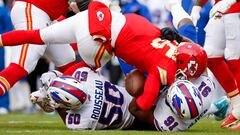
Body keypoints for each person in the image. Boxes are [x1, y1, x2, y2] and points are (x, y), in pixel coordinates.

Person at [0, 0, 207, 112]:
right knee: (25, 63)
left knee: (71, 69)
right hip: (96, 36)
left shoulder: (178, 41)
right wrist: (137, 108)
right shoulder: (165, 67)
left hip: (88, 21)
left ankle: (48, 91)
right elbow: (142, 103)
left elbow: (78, 9)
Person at [0, 0, 78, 96]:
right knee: (22, 65)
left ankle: (69, 105)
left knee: (68, 62)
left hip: (47, 16)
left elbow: (71, 11)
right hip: (34, 8)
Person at [31, 67, 137, 130]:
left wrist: (54, 103)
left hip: (134, 121)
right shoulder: (86, 75)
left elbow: (67, 120)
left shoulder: (82, 121)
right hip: (133, 96)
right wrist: (56, 75)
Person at [126, 69, 229, 131]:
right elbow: (200, 58)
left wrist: (145, 90)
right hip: (201, 107)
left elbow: (133, 109)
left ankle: (216, 107)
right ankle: (216, 107)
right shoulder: (206, 87)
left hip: (172, 117)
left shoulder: (165, 122)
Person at [191, 0, 240, 129]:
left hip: (236, 9)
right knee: (211, 57)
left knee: (235, 60)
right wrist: (197, 6)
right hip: (219, 9)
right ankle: (238, 106)